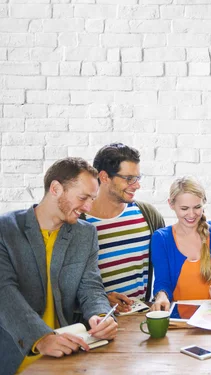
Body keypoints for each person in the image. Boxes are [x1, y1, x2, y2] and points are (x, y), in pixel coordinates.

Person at [0, 157, 118, 374]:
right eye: (83, 197)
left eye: (92, 199)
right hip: (16, 356)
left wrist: (101, 315)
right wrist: (41, 338)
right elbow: (4, 291)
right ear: (55, 189)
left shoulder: (86, 233)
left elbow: (90, 286)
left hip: (68, 354)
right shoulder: (5, 229)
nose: (89, 208)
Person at [82, 143, 165, 313]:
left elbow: (166, 266)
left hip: (140, 322)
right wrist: (102, 300)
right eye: (128, 179)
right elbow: (64, 285)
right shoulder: (80, 222)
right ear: (104, 177)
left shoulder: (148, 215)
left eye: (137, 178)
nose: (136, 185)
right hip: (99, 323)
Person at [150, 177, 211, 311]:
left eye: (197, 207)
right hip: (178, 319)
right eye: (184, 208)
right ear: (171, 204)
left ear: (204, 203)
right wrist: (161, 296)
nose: (191, 214)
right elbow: (162, 282)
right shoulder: (161, 238)